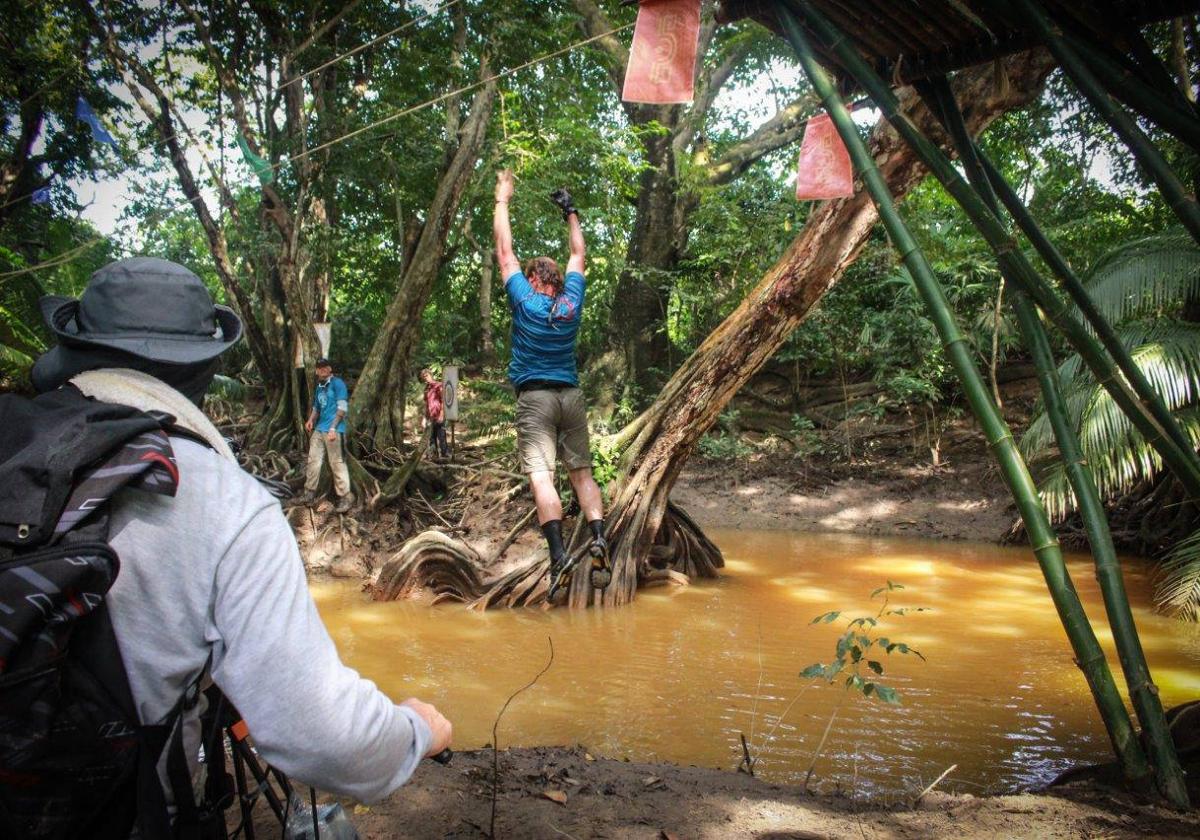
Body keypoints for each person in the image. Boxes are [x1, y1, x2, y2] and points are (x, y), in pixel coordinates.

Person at [26, 257, 452, 814]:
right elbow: (325, 734)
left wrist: (328, 421)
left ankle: (344, 499)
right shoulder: (225, 501)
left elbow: (340, 408)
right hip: (115, 814)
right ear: (202, 368)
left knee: (336, 470)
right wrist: (415, 730)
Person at [493, 170, 610, 598]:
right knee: (581, 474)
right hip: (572, 397)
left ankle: (559, 556)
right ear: (557, 279)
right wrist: (570, 211)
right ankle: (598, 538)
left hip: (537, 399)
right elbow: (579, 253)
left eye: (528, 274)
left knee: (542, 477)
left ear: (535, 280)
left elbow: (504, 252)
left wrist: (502, 199)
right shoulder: (572, 301)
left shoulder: (526, 301)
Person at [298, 357, 355, 513]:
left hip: (334, 430)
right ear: (316, 371)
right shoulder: (319, 387)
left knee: (337, 463)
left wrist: (333, 428)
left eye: (325, 366)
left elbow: (342, 408)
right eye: (319, 367)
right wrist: (310, 420)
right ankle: (309, 494)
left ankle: (345, 498)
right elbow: (317, 407)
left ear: (330, 369)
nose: (322, 369)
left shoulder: (337, 384)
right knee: (313, 461)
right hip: (319, 428)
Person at [421, 368, 450, 460]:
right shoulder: (426, 389)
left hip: (439, 416)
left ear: (430, 375)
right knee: (431, 438)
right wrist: (424, 418)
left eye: (427, 376)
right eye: (423, 377)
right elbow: (426, 404)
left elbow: (443, 401)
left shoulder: (439, 385)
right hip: (430, 417)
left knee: (442, 437)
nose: (425, 378)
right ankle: (434, 457)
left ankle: (445, 456)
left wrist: (442, 415)